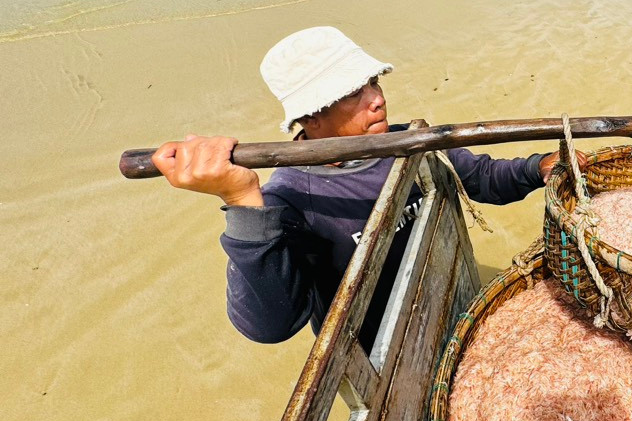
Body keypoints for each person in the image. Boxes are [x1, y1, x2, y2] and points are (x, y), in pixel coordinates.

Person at [152, 27, 575, 349]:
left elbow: (481, 177)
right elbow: (270, 325)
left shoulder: (405, 143)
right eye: (354, 93)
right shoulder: (291, 200)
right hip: (378, 348)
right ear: (311, 118)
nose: (377, 99)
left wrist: (540, 167)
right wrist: (242, 200)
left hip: (448, 305)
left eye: (374, 82)